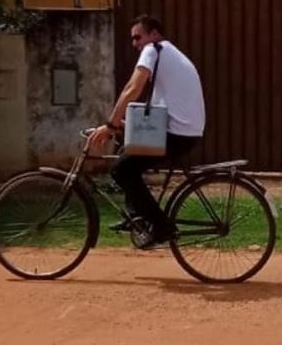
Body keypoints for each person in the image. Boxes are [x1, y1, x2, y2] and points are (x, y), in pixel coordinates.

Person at [88, 14, 205, 248]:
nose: (135, 43)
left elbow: (132, 89)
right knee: (126, 150)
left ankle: (161, 226)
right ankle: (138, 218)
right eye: (132, 39)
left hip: (177, 134)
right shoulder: (167, 53)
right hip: (182, 130)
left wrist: (110, 125)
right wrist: (123, 124)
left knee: (121, 170)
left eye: (138, 37)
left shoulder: (153, 49)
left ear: (154, 34)